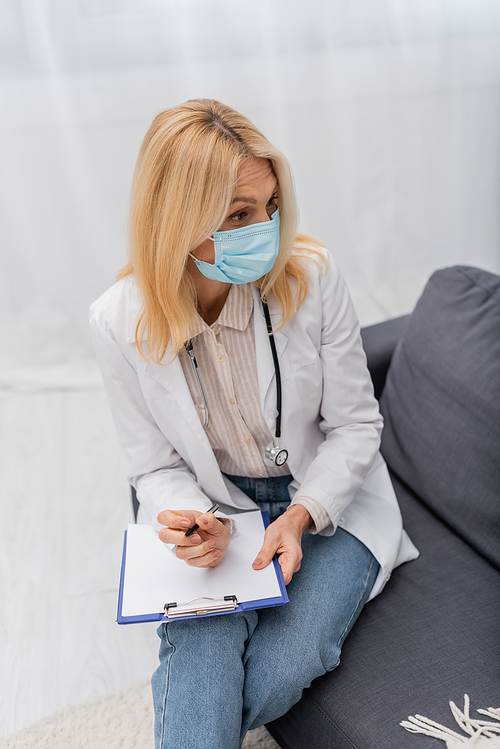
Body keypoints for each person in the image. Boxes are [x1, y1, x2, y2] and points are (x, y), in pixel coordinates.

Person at [89, 99, 418, 749]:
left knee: (279, 670)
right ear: (176, 219)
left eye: (269, 207)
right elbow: (153, 466)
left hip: (327, 505)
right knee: (204, 669)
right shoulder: (116, 321)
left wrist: (298, 517)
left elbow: (355, 425)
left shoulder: (312, 277)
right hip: (219, 511)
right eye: (239, 215)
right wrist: (192, 520)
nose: (265, 231)